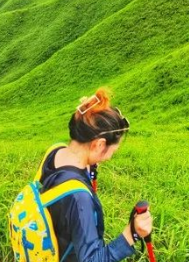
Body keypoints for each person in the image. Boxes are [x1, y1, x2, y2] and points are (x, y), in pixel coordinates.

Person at [39, 87, 153, 262]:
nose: (110, 156)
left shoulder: (55, 152)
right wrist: (131, 234)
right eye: (113, 150)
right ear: (99, 145)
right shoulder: (79, 197)